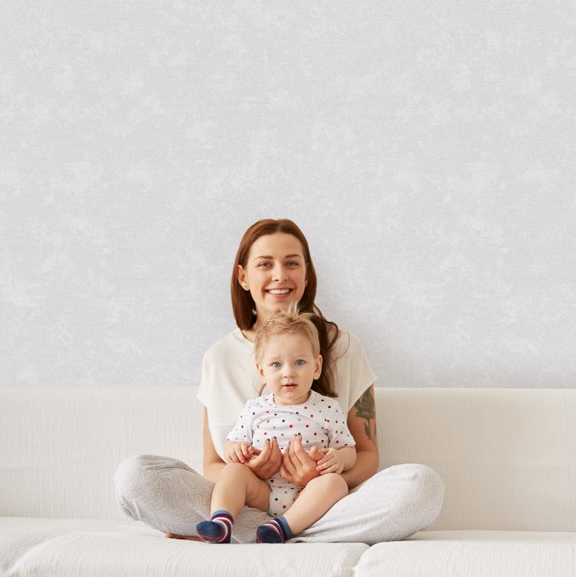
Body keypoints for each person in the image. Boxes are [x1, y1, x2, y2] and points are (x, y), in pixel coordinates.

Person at [115, 218, 444, 544]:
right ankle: (263, 529)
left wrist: (320, 474)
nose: (279, 275)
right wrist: (249, 471)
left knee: (421, 487)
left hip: (324, 504)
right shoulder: (219, 357)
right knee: (135, 478)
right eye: (264, 264)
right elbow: (213, 465)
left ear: (306, 274)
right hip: (246, 497)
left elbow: (366, 455)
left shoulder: (344, 347)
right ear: (243, 277)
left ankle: (256, 531)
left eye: (292, 263)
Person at [196, 307, 356, 544]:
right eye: (276, 365)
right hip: (262, 491)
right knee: (233, 471)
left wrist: (339, 459)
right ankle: (221, 521)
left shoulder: (328, 408)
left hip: (307, 495)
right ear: (261, 371)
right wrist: (236, 451)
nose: (288, 373)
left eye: (299, 362)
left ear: (316, 367)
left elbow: (349, 450)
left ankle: (282, 527)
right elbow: (232, 444)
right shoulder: (254, 408)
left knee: (336, 484)